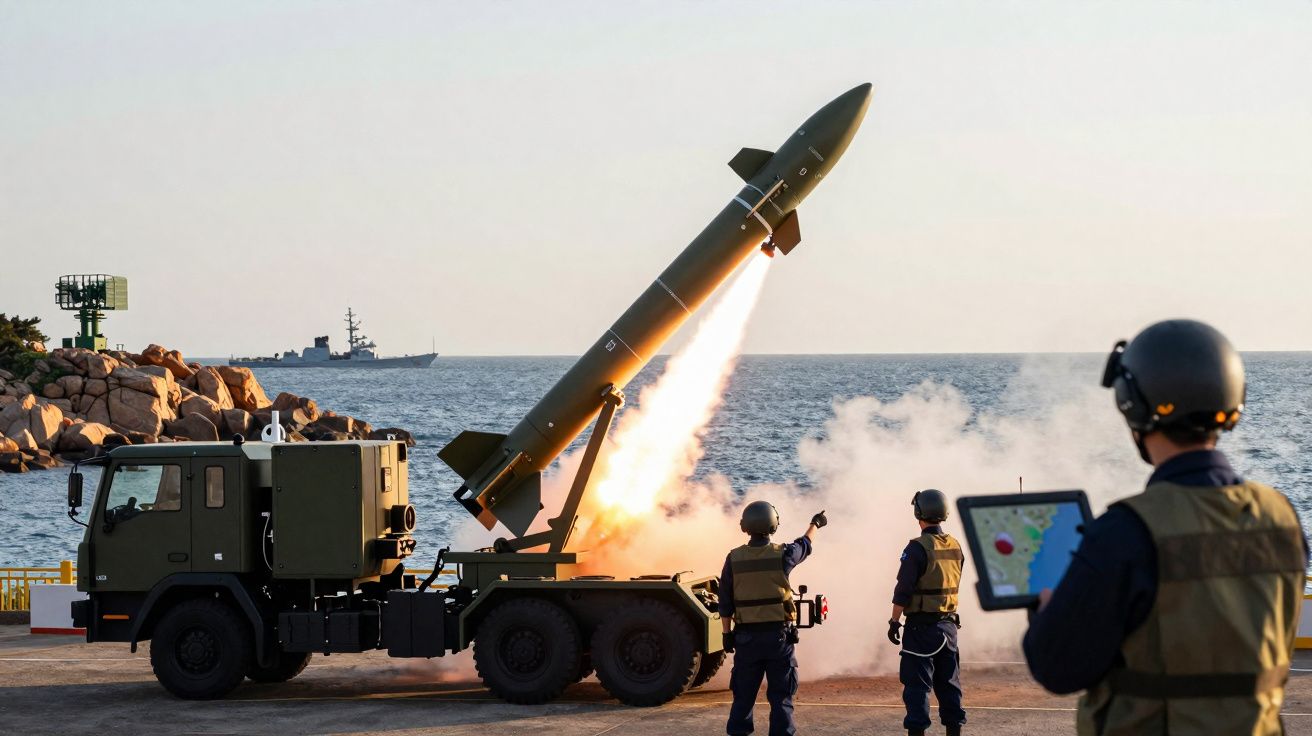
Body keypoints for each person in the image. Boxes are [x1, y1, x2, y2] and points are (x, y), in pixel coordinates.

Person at [1024, 319, 1307, 735]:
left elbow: (1057, 668)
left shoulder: (1127, 532)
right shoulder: (1282, 518)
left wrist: (1045, 614)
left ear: (1131, 404)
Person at [722, 501, 827, 736]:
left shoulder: (734, 559)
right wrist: (816, 523)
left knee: (743, 698)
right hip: (778, 639)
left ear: (745, 526)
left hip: (746, 639)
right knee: (781, 698)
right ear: (773, 525)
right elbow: (805, 544)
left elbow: (725, 602)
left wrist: (726, 635)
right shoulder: (783, 555)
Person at [888, 488, 966, 736]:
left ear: (919, 512)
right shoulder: (955, 546)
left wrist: (894, 620)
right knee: (950, 686)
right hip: (949, 629)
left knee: (917, 688)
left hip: (922, 629)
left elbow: (903, 589)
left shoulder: (916, 548)